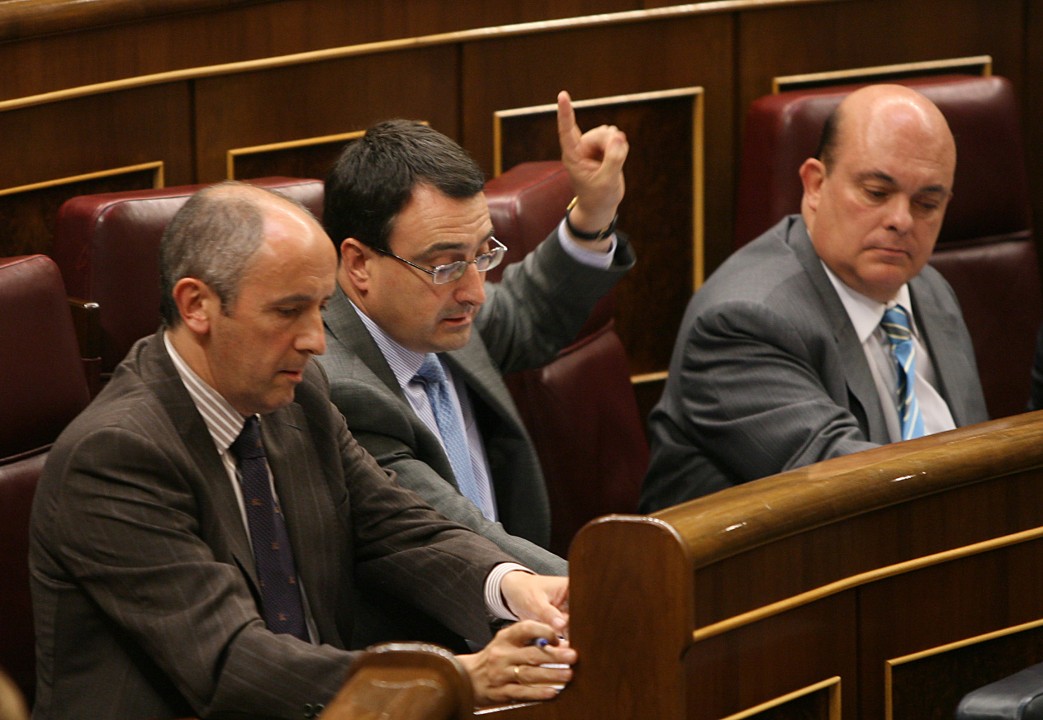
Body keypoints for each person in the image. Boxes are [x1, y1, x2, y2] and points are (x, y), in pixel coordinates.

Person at [29, 182, 576, 720]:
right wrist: (456, 678)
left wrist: (516, 586)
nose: (316, 340)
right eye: (289, 311)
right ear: (197, 305)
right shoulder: (114, 455)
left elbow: (394, 527)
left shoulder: (297, 394)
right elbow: (230, 662)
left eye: (321, 308)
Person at [317, 91, 632, 596]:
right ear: (358, 265)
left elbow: (530, 308)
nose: (475, 292)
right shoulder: (336, 388)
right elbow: (457, 534)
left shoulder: (438, 313)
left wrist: (593, 213)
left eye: (483, 254)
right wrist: (606, 596)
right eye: (445, 265)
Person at [640, 83, 989, 512]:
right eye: (876, 193)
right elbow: (848, 491)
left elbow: (976, 449)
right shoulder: (742, 322)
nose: (902, 220)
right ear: (816, 185)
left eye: (927, 203)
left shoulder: (930, 291)